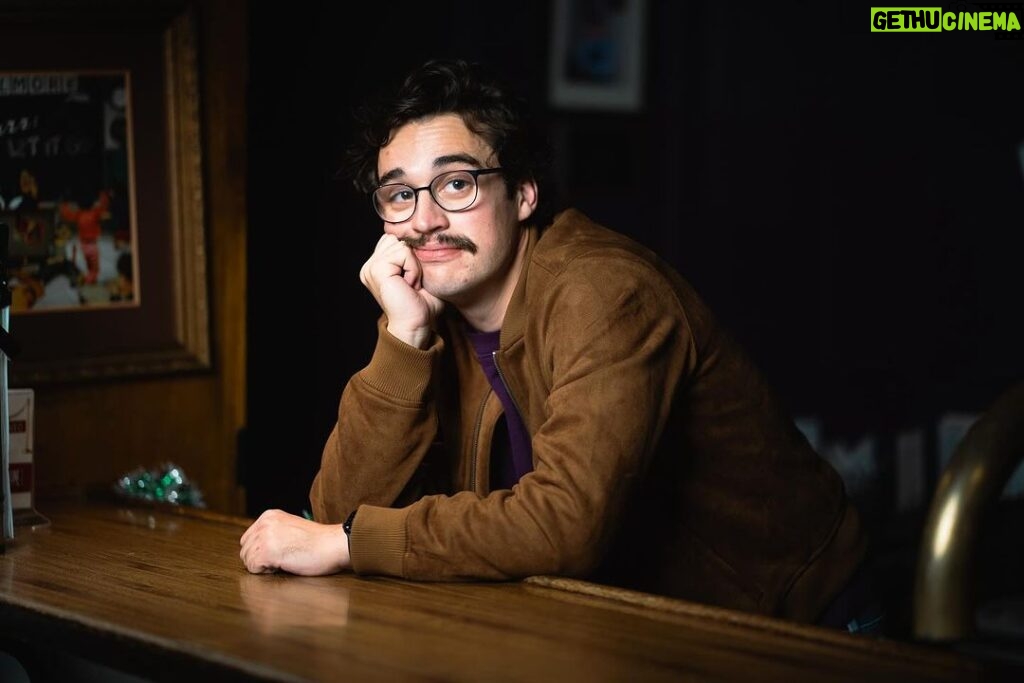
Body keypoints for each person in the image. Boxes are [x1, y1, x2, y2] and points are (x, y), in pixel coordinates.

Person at [240, 58, 879, 630]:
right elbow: (335, 512)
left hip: (796, 627)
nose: (425, 219)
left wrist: (352, 542)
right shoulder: (433, 312)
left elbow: (564, 524)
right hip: (615, 625)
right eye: (400, 194)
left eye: (456, 183)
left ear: (523, 194)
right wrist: (404, 338)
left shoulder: (603, 291)